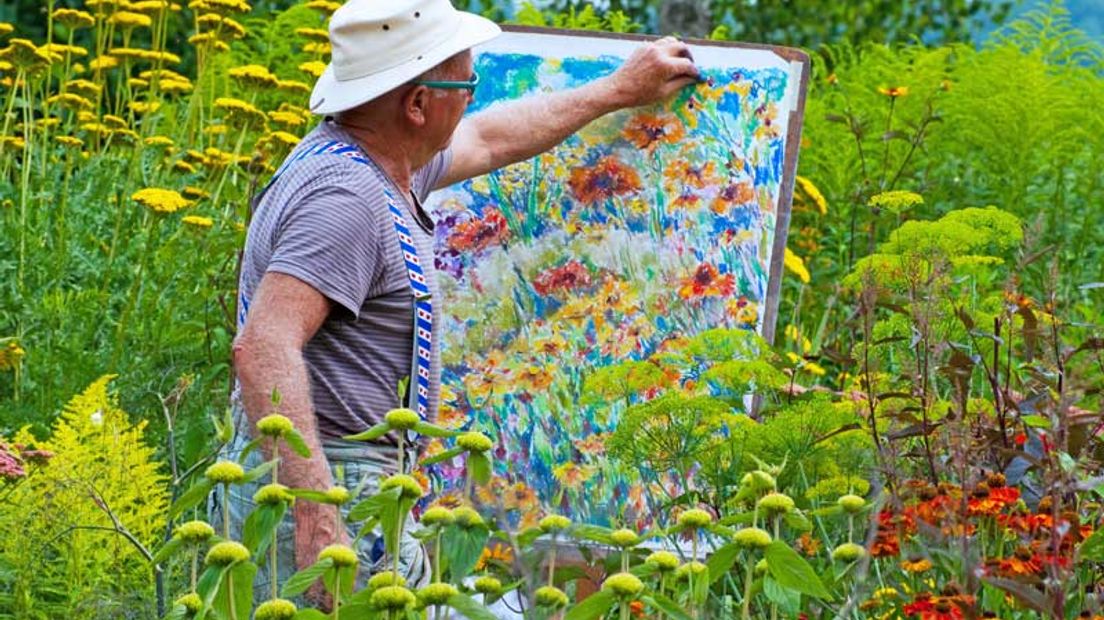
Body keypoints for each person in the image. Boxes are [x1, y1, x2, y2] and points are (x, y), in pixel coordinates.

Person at [227, 0, 699, 604]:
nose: (474, 95)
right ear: (417, 105)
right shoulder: (346, 200)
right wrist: (316, 515)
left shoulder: (379, 159)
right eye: (466, 82)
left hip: (342, 484)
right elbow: (264, 345)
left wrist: (616, 90)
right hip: (324, 488)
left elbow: (493, 137)